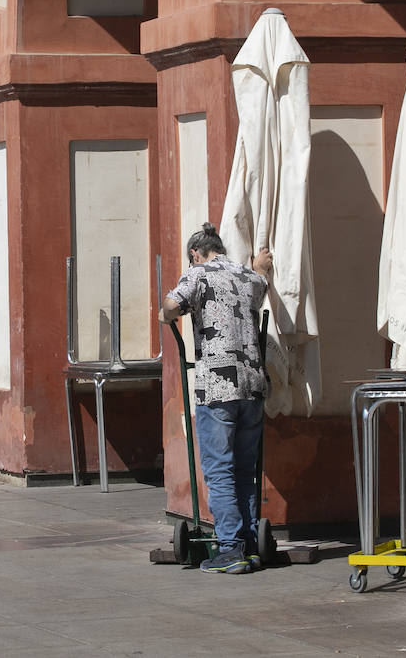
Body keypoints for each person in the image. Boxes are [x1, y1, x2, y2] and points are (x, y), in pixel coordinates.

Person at [159, 222, 274, 575]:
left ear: (196, 253)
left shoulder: (197, 274)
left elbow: (171, 306)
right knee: (245, 472)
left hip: (217, 387)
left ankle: (230, 549)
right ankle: (250, 546)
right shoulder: (247, 276)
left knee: (220, 471)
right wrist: (259, 267)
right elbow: (261, 283)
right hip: (252, 385)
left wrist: (165, 313)